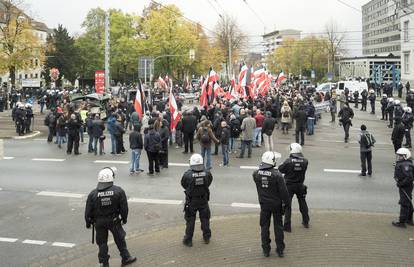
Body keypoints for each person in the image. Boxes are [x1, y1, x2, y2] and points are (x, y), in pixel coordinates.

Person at [84, 167, 137, 267]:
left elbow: (88, 212)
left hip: (99, 222)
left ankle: (104, 263)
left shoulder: (93, 194)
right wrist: (124, 219)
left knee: (102, 243)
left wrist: (88, 223)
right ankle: (126, 257)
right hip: (114, 220)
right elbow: (124, 208)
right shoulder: (119, 191)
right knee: (120, 239)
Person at [253, 151, 290, 257]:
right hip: (276, 205)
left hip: (264, 204)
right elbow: (284, 192)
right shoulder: (277, 175)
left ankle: (266, 250)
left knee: (264, 227)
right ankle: (280, 250)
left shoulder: (256, 174)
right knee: (278, 227)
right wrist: (287, 204)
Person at [181, 154, 213, 247]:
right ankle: (206, 237)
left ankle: (188, 240)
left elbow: (183, 184)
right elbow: (209, 182)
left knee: (190, 220)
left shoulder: (188, 174)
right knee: (205, 219)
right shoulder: (207, 173)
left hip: (192, 201)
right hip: (203, 200)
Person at [278, 143, 309, 232]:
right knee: (303, 203)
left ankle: (287, 226)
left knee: (288, 206)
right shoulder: (305, 161)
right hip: (300, 185)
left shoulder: (288, 161)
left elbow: (280, 169)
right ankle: (306, 221)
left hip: (289, 186)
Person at [392, 148, 414, 228]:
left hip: (405, 186)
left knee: (404, 203)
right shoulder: (404, 163)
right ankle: (409, 219)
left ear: (405, 156)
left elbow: (409, 177)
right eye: (398, 156)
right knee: (408, 201)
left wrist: (401, 183)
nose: (398, 157)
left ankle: (402, 222)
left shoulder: (405, 165)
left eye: (400, 156)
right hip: (406, 186)